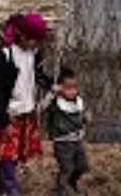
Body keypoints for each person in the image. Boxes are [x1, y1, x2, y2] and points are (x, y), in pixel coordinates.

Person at [0, 12, 53, 196]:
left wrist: (53, 85)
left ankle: (1, 189)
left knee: (16, 153)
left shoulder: (33, 53)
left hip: (25, 112)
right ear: (22, 36)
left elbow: (37, 76)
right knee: (8, 154)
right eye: (34, 40)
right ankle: (10, 187)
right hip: (9, 113)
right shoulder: (6, 54)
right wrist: (2, 117)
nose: (37, 44)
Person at [41, 66, 89, 196]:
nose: (72, 91)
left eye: (75, 87)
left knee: (82, 166)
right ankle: (60, 190)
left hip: (77, 141)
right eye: (68, 88)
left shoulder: (78, 101)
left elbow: (80, 116)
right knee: (66, 168)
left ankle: (72, 182)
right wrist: (51, 93)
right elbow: (42, 108)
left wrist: (85, 118)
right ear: (60, 88)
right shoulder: (56, 103)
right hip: (62, 143)